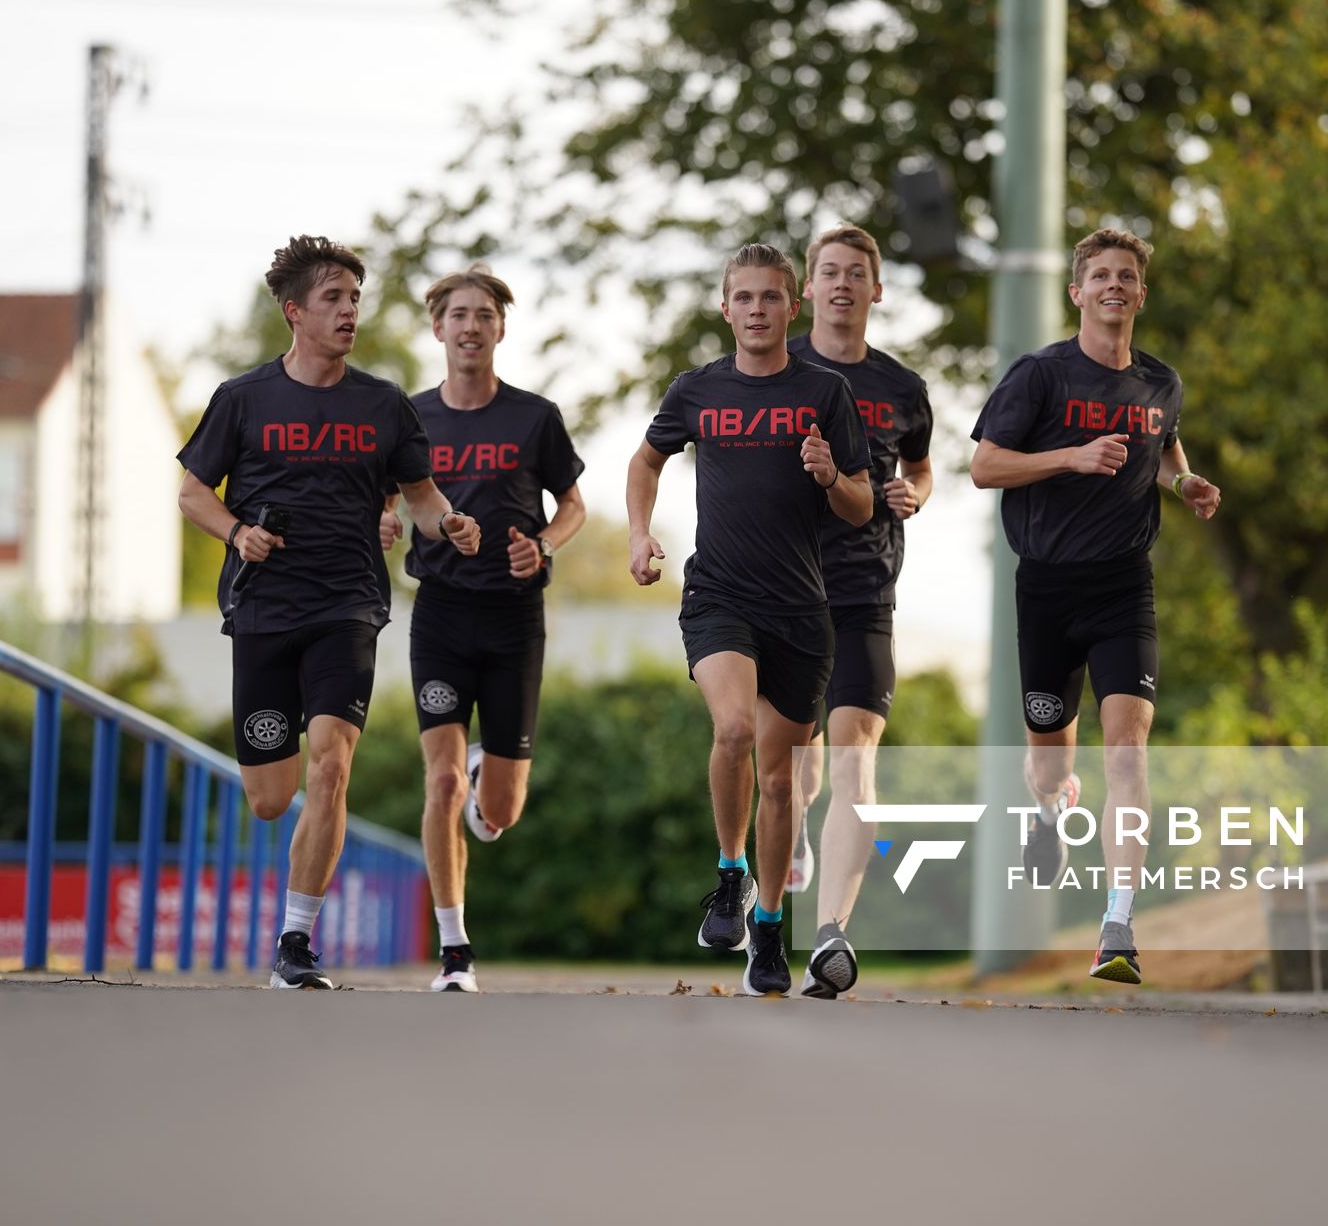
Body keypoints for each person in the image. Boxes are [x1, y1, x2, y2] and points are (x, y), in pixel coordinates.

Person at [176, 234, 480, 990]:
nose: (349, 312)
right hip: (262, 609)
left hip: (348, 605)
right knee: (270, 799)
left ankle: (295, 944)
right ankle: (293, 929)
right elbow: (191, 494)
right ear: (295, 312)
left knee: (332, 764)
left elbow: (423, 497)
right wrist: (236, 533)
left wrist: (451, 523)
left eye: (355, 299)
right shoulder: (243, 399)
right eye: (333, 299)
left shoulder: (382, 404)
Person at [969, 227, 1221, 984]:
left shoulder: (1161, 383)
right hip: (1046, 587)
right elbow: (985, 466)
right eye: (1101, 275)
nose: (1115, 285)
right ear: (1077, 292)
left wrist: (1183, 482)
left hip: (1122, 587)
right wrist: (1071, 457)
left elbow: (1163, 446)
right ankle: (1051, 811)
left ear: (1142, 293)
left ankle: (1118, 926)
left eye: (1127, 276)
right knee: (1050, 762)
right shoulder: (1039, 376)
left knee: (1129, 750)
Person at [626, 242, 872, 996]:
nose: (757, 310)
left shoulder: (825, 392)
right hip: (719, 595)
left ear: (792, 308)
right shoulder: (698, 390)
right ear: (725, 307)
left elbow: (861, 504)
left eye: (771, 297)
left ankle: (768, 930)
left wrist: (831, 476)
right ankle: (730, 876)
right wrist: (638, 533)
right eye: (745, 297)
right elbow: (645, 461)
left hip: (800, 610)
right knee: (733, 730)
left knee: (781, 781)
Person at [380, 264, 586, 994]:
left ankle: (484, 777)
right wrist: (381, 520)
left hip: (514, 620)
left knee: (499, 812)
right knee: (438, 781)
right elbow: (379, 496)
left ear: (501, 329)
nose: (471, 327)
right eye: (459, 315)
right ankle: (456, 953)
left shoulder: (534, 417)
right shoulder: (408, 419)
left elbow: (573, 506)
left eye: (485, 315)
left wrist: (545, 545)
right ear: (438, 327)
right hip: (440, 614)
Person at [781, 224, 934, 1000]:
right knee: (794, 764)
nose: (842, 284)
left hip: (866, 589)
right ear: (807, 289)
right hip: (782, 591)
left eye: (856, 274)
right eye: (829, 272)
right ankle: (790, 842)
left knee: (855, 760)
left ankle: (830, 935)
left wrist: (914, 494)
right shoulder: (775, 367)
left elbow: (922, 468)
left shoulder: (901, 387)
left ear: (877, 290)